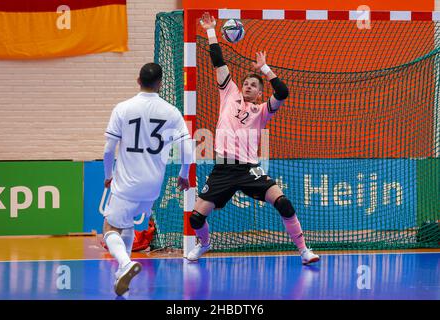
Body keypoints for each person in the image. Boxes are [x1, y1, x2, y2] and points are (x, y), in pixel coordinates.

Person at [187, 13, 320, 265]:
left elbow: (283, 91)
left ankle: (304, 251)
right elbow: (217, 61)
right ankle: (204, 243)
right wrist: (210, 30)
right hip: (224, 168)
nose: (247, 86)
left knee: (283, 203)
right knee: (195, 218)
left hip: (249, 169)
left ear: (259, 93)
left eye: (253, 85)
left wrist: (265, 70)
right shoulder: (229, 93)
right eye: (246, 83)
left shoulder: (262, 111)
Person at [103, 62, 193, 296]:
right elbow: (188, 148)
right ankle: (122, 277)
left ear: (138, 80)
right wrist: (183, 175)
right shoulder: (171, 111)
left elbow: (108, 149)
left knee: (110, 227)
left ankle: (124, 263)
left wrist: (108, 176)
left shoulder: (123, 108)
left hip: (127, 183)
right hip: (153, 186)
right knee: (129, 224)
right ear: (160, 84)